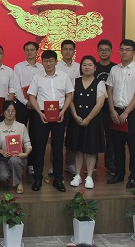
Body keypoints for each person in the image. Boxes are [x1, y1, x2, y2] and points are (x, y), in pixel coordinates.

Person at [28, 49, 74, 193]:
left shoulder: (64, 76)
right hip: (42, 115)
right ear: (42, 62)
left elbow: (69, 95)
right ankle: (37, 178)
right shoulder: (37, 77)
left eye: (51, 61)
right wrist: (39, 113)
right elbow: (32, 96)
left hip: (59, 114)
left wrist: (63, 111)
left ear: (56, 61)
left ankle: (58, 179)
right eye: (45, 61)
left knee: (58, 148)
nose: (48, 64)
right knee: (39, 147)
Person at [106, 39, 135, 189]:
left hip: (132, 112)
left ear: (134, 52)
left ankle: (133, 176)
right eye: (122, 49)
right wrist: (112, 110)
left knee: (133, 145)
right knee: (117, 145)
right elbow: (109, 90)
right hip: (116, 111)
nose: (124, 52)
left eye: (128, 50)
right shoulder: (114, 69)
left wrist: (126, 112)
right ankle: (119, 174)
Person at [66, 56, 106, 189]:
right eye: (84, 65)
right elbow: (70, 100)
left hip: (93, 121)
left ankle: (89, 176)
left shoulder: (99, 83)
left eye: (90, 65)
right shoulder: (74, 81)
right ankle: (77, 175)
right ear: (81, 67)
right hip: (76, 120)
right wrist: (75, 115)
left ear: (95, 68)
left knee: (91, 150)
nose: (87, 67)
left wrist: (88, 119)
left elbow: (100, 104)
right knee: (78, 149)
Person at [12, 41, 43, 176]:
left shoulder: (42, 68)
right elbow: (16, 87)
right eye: (27, 50)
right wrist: (26, 102)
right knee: (19, 134)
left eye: (32, 50)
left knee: (36, 135)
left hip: (38, 106)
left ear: (37, 51)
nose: (30, 52)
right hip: (22, 105)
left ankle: (31, 164)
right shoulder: (18, 67)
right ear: (24, 51)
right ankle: (18, 162)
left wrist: (35, 103)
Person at [0, 101, 32, 194]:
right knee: (3, 176)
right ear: (3, 112)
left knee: (14, 160)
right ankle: (7, 178)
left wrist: (25, 154)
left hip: (19, 158)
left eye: (13, 111)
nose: (10, 113)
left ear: (16, 112)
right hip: (3, 158)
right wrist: (2, 152)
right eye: (8, 110)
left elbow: (28, 144)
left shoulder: (21, 127)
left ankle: (19, 183)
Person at [56, 39, 81, 175]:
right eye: (65, 49)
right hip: (59, 104)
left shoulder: (79, 67)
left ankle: (69, 163)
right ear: (61, 51)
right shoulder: (56, 66)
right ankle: (55, 164)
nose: (68, 51)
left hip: (76, 104)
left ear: (74, 51)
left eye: (71, 49)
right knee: (57, 136)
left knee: (73, 135)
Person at [96, 39, 117, 175]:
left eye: (107, 50)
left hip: (111, 108)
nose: (104, 52)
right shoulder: (93, 66)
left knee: (111, 138)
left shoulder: (116, 68)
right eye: (101, 50)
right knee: (94, 137)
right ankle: (93, 164)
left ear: (111, 51)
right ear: (98, 51)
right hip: (95, 108)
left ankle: (110, 164)